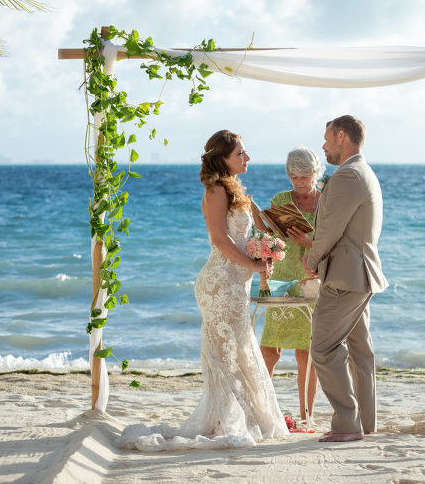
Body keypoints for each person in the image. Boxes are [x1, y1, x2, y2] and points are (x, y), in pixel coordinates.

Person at [115, 130, 289, 451]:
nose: (247, 158)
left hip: (236, 282)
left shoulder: (235, 191)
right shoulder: (216, 190)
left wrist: (264, 253)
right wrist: (253, 265)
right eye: (240, 153)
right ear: (222, 159)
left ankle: (246, 417)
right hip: (219, 283)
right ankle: (230, 420)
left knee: (240, 348)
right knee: (227, 354)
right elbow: (221, 241)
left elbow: (251, 236)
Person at [303, 115, 388, 443]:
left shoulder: (347, 175)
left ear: (341, 136)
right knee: (359, 350)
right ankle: (366, 422)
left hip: (345, 277)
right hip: (361, 276)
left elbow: (329, 231)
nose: (323, 146)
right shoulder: (365, 173)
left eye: (326, 139)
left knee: (323, 348)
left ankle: (347, 423)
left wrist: (311, 262)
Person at [259, 146, 324, 422]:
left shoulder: (325, 202)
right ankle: (264, 413)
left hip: (311, 279)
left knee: (305, 352)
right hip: (282, 278)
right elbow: (268, 239)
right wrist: (266, 232)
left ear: (316, 173)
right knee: (270, 349)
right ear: (289, 175)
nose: (300, 183)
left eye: (306, 177)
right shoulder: (281, 200)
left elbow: (335, 241)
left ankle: (306, 414)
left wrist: (310, 242)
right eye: (295, 177)